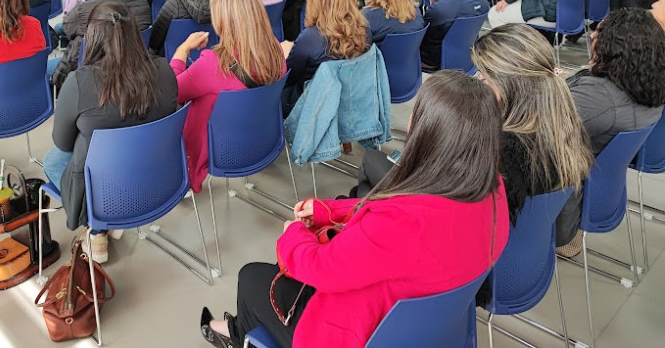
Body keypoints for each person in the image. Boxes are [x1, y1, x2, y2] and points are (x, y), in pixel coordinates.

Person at [201, 71, 510, 348]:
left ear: (428, 134)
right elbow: (397, 205)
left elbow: (322, 268)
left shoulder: (403, 224)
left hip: (353, 333)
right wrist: (329, 211)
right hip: (432, 330)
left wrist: (293, 235)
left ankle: (236, 333)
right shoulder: (491, 193)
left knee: (252, 278)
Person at [43, 1, 178, 259]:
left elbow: (62, 142)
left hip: (106, 187)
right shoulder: (164, 70)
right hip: (157, 180)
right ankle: (106, 226)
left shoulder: (80, 82)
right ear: (135, 35)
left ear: (91, 38)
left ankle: (98, 230)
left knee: (54, 159)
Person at [471, 24, 592, 246]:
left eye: (484, 75)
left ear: (511, 85)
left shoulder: (502, 154)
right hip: (537, 248)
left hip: (493, 260)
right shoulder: (565, 121)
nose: (478, 81)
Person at [557, 8, 665, 256]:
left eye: (598, 33)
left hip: (563, 191)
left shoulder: (599, 98)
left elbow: (541, 123)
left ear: (613, 48)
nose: (593, 35)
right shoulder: (649, 81)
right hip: (594, 180)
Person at [171, 0, 286, 192]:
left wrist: (182, 50)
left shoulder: (213, 63)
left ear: (222, 20)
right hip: (260, 142)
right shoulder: (276, 51)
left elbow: (172, 92)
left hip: (217, 152)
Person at [282, 0, 370, 113]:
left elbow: (289, 76)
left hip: (312, 107)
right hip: (348, 100)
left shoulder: (310, 38)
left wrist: (286, 53)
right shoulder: (364, 29)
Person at [421, 0, 489, 70]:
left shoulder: (441, 9)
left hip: (435, 60)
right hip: (466, 55)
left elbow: (423, 32)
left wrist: (432, 4)